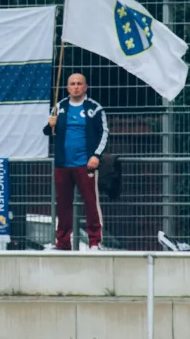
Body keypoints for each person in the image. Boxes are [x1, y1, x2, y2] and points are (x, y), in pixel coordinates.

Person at [43, 73, 109, 251]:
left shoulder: (94, 108)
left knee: (91, 202)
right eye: (72, 83)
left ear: (85, 87)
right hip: (63, 164)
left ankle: (95, 242)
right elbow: (48, 132)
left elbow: (104, 133)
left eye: (79, 83)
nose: (76, 87)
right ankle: (63, 242)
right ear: (67, 87)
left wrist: (96, 155)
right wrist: (50, 124)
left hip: (85, 164)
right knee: (63, 204)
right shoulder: (60, 107)